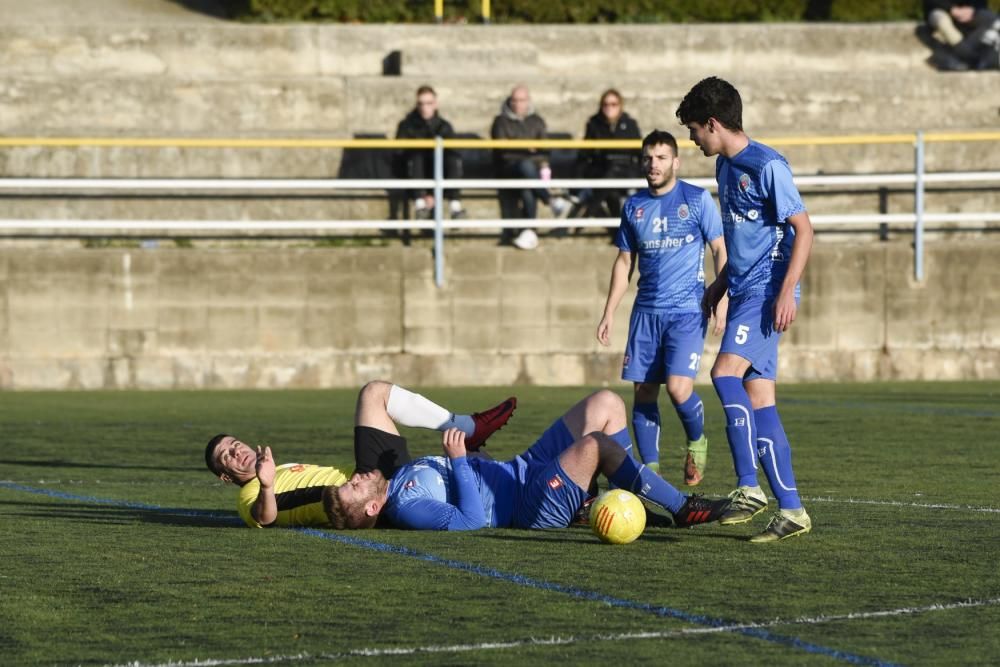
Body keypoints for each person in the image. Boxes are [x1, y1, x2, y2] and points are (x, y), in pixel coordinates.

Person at [675, 76, 814, 543]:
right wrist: (719, 283)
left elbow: (804, 230)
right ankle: (792, 510)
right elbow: (744, 241)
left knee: (722, 374)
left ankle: (748, 488)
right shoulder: (724, 169)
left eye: (695, 129)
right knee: (761, 402)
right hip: (743, 290)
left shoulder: (768, 165)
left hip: (766, 294)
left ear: (713, 123)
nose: (693, 139)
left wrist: (785, 291)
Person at [324, 389, 731, 532]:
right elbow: (471, 522)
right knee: (595, 446)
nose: (357, 476)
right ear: (373, 507)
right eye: (354, 487)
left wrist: (473, 460)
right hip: (528, 504)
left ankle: (625, 501)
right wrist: (461, 461)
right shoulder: (408, 508)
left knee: (605, 403)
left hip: (522, 468)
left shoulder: (395, 479)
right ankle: (680, 508)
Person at [597, 130, 727, 488]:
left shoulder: (697, 200)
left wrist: (722, 297)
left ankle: (697, 441)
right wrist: (609, 312)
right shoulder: (633, 206)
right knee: (643, 393)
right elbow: (624, 262)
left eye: (661, 158)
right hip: (645, 314)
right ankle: (651, 474)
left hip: (686, 310)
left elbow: (719, 249)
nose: (653, 165)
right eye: (648, 158)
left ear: (675, 161)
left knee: (678, 389)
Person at [204, 381, 516, 528]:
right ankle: (471, 429)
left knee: (377, 393)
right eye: (226, 455)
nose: (237, 450)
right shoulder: (251, 495)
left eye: (235, 444)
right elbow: (264, 518)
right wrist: (268, 485)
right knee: (373, 394)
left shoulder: (279, 467)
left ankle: (473, 435)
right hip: (361, 497)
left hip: (371, 475)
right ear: (224, 474)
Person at [490, 84, 571, 250]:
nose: (518, 104)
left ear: (528, 101)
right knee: (525, 166)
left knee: (528, 185)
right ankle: (550, 200)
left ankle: (529, 232)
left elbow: (544, 150)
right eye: (515, 100)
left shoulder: (537, 121)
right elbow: (504, 152)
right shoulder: (500, 121)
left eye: (522, 100)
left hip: (530, 172)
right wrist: (529, 150)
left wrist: (528, 152)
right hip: (508, 169)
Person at [575, 89, 643, 235]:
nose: (609, 107)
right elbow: (585, 153)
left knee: (613, 177)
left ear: (620, 105)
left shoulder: (630, 124)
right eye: (605, 104)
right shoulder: (594, 124)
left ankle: (588, 211)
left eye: (613, 104)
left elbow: (640, 153)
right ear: (601, 105)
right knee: (611, 188)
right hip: (602, 170)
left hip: (626, 171)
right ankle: (616, 233)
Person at [394, 85, 467, 220]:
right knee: (416, 156)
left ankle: (455, 206)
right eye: (421, 103)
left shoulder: (444, 126)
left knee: (452, 158)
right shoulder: (406, 126)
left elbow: (454, 156)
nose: (424, 107)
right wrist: (424, 193)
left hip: (439, 177)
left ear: (436, 104)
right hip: (413, 177)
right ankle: (420, 205)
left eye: (429, 103)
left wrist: (435, 193)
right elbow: (399, 158)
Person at [923, 1, 999, 70]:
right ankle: (972, 59)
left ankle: (957, 57)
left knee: (993, 20)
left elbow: (981, 4)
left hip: (969, 11)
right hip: (941, 11)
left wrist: (971, 10)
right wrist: (952, 10)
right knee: (942, 21)